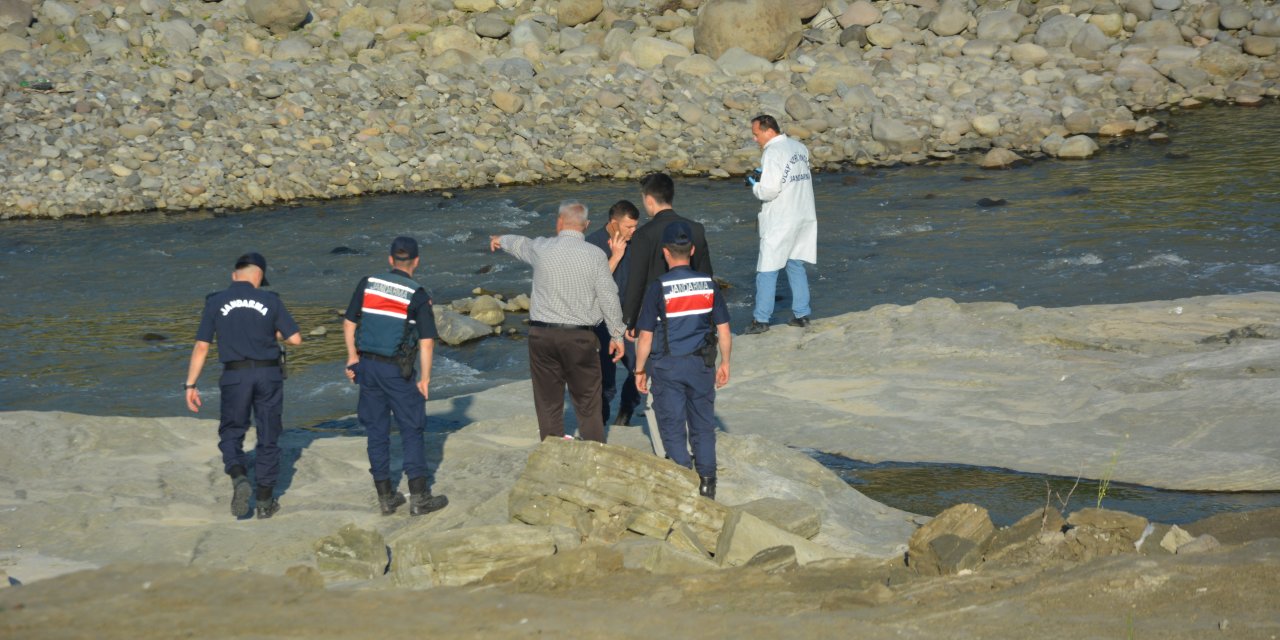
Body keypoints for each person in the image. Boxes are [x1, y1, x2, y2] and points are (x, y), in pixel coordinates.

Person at [490, 200, 626, 443]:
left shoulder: (542, 247)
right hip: (580, 337)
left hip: (542, 336)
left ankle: (552, 454)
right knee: (587, 403)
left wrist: (500, 239)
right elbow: (608, 295)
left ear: (559, 223)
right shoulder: (595, 255)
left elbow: (519, 242)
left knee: (548, 402)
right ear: (586, 226)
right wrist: (617, 336)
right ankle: (593, 456)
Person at [185, 252, 302, 520]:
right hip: (267, 374)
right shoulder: (271, 300)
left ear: (234, 275)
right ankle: (264, 501)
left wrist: (190, 385)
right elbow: (295, 339)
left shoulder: (215, 301)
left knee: (231, 432)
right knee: (268, 434)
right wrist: (273, 333)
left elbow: (202, 346)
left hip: (235, 376)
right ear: (258, 276)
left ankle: (239, 476)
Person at [343, 236, 448, 517]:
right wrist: (425, 378)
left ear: (390, 259)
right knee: (411, 429)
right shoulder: (417, 294)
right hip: (396, 370)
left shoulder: (368, 283)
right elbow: (426, 342)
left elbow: (349, 320)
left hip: (367, 367)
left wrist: (352, 356)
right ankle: (419, 498)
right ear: (416, 261)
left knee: (376, 431)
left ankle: (386, 497)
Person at [634, 222, 732, 500]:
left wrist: (639, 369)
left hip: (668, 366)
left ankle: (684, 478)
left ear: (665, 252)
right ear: (691, 250)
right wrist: (725, 363)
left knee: (672, 425)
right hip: (701, 365)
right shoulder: (709, 284)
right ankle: (707, 484)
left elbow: (645, 336)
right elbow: (724, 330)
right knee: (703, 425)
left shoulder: (658, 288)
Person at [744, 114, 818, 334]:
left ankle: (761, 320)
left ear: (769, 131)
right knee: (795, 264)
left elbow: (769, 191)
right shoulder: (798, 147)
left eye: (756, 135)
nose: (755, 139)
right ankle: (802, 314)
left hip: (781, 218)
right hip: (803, 214)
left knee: (767, 268)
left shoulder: (772, 152)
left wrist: (755, 185)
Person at [622, 172, 713, 331]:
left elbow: (636, 283)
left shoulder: (643, 235)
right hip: (693, 311)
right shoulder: (697, 229)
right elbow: (706, 274)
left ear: (649, 200)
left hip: (659, 316)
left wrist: (630, 321)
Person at [585, 200, 642, 426]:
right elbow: (591, 286)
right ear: (613, 223)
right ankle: (602, 423)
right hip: (600, 324)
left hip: (629, 320)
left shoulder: (637, 242)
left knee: (640, 368)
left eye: (635, 226)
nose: (633, 231)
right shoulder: (592, 245)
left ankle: (626, 411)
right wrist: (616, 256)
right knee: (605, 381)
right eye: (629, 227)